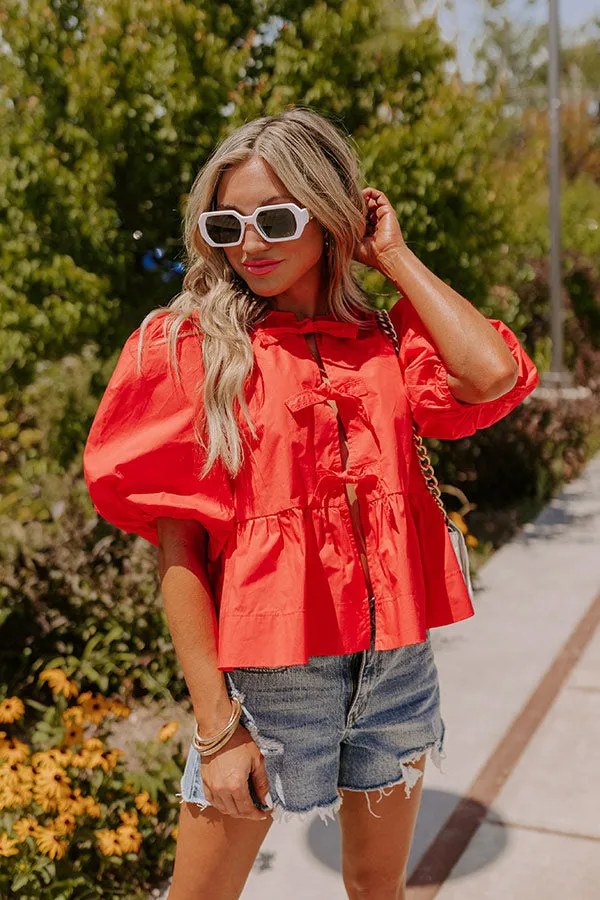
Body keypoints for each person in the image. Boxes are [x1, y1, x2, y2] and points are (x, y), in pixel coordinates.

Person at [83, 107, 539, 900]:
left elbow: (493, 374)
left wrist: (392, 254)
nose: (250, 242)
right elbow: (179, 550)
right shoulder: (192, 350)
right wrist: (218, 726)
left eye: (277, 218)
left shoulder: (389, 342)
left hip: (397, 668)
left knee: (377, 888)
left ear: (331, 218)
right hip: (266, 682)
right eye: (227, 222)